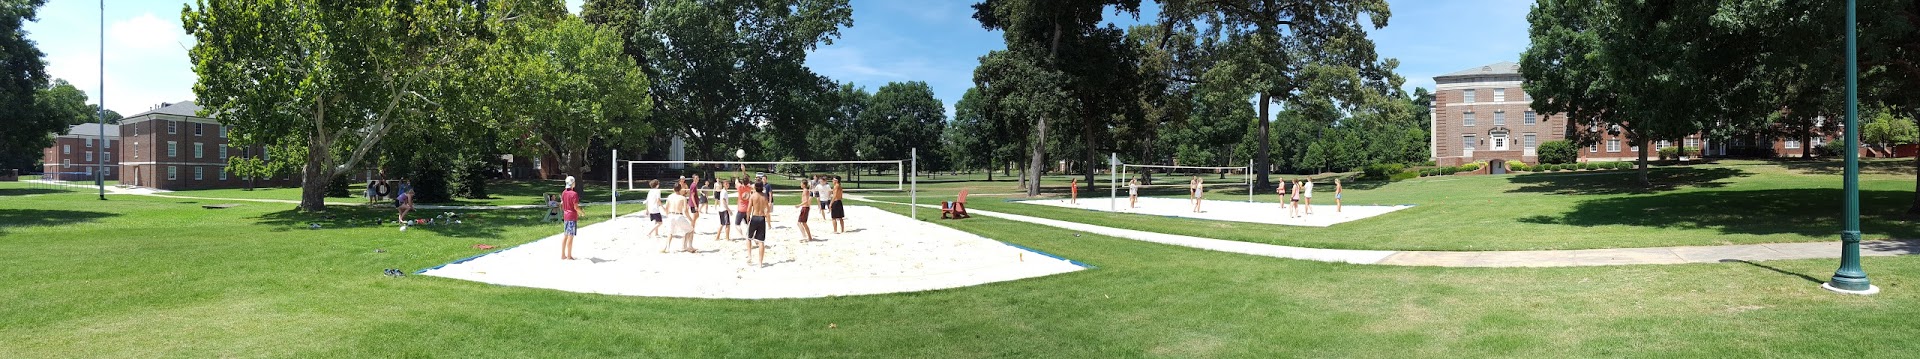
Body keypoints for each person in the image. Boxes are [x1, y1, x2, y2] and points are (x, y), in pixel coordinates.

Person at [661, 179, 696, 253]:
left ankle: (667, 248)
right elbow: (685, 211)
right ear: (680, 189)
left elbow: (666, 208)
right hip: (678, 216)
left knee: (670, 233)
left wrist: (667, 215)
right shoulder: (682, 198)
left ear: (673, 189)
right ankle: (688, 246)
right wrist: (690, 219)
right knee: (690, 230)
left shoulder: (669, 197)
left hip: (671, 215)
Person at [746, 189, 773, 266]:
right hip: (761, 218)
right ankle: (760, 262)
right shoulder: (764, 196)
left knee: (749, 238)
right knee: (761, 241)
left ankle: (749, 256)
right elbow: (768, 209)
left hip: (754, 217)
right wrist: (765, 214)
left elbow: (748, 209)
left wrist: (747, 218)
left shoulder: (753, 196)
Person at [559, 176, 582, 260]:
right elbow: (576, 207)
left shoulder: (564, 192)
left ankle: (563, 254)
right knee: (570, 236)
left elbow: (562, 204)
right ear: (573, 183)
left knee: (565, 235)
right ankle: (569, 255)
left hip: (566, 216)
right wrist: (581, 212)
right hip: (572, 216)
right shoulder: (574, 194)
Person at [713, 177, 735, 242]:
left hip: (721, 209)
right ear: (723, 184)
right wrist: (728, 209)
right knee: (727, 224)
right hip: (724, 209)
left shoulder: (723, 191)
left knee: (722, 224)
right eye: (726, 184)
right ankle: (727, 238)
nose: (727, 185)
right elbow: (723, 201)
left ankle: (717, 237)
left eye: (728, 184)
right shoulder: (724, 192)